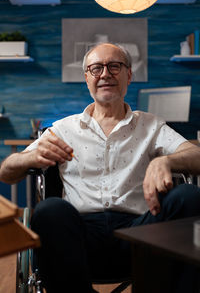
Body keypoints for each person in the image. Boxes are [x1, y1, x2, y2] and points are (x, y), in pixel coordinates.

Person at [1, 43, 200, 293]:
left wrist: (167, 161)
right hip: (77, 236)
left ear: (128, 75)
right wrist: (30, 157)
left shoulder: (152, 125)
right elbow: (6, 172)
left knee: (189, 196)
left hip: (142, 234)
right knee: (49, 209)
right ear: (87, 78)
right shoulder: (63, 128)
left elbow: (196, 155)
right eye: (96, 68)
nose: (105, 74)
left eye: (114, 66)